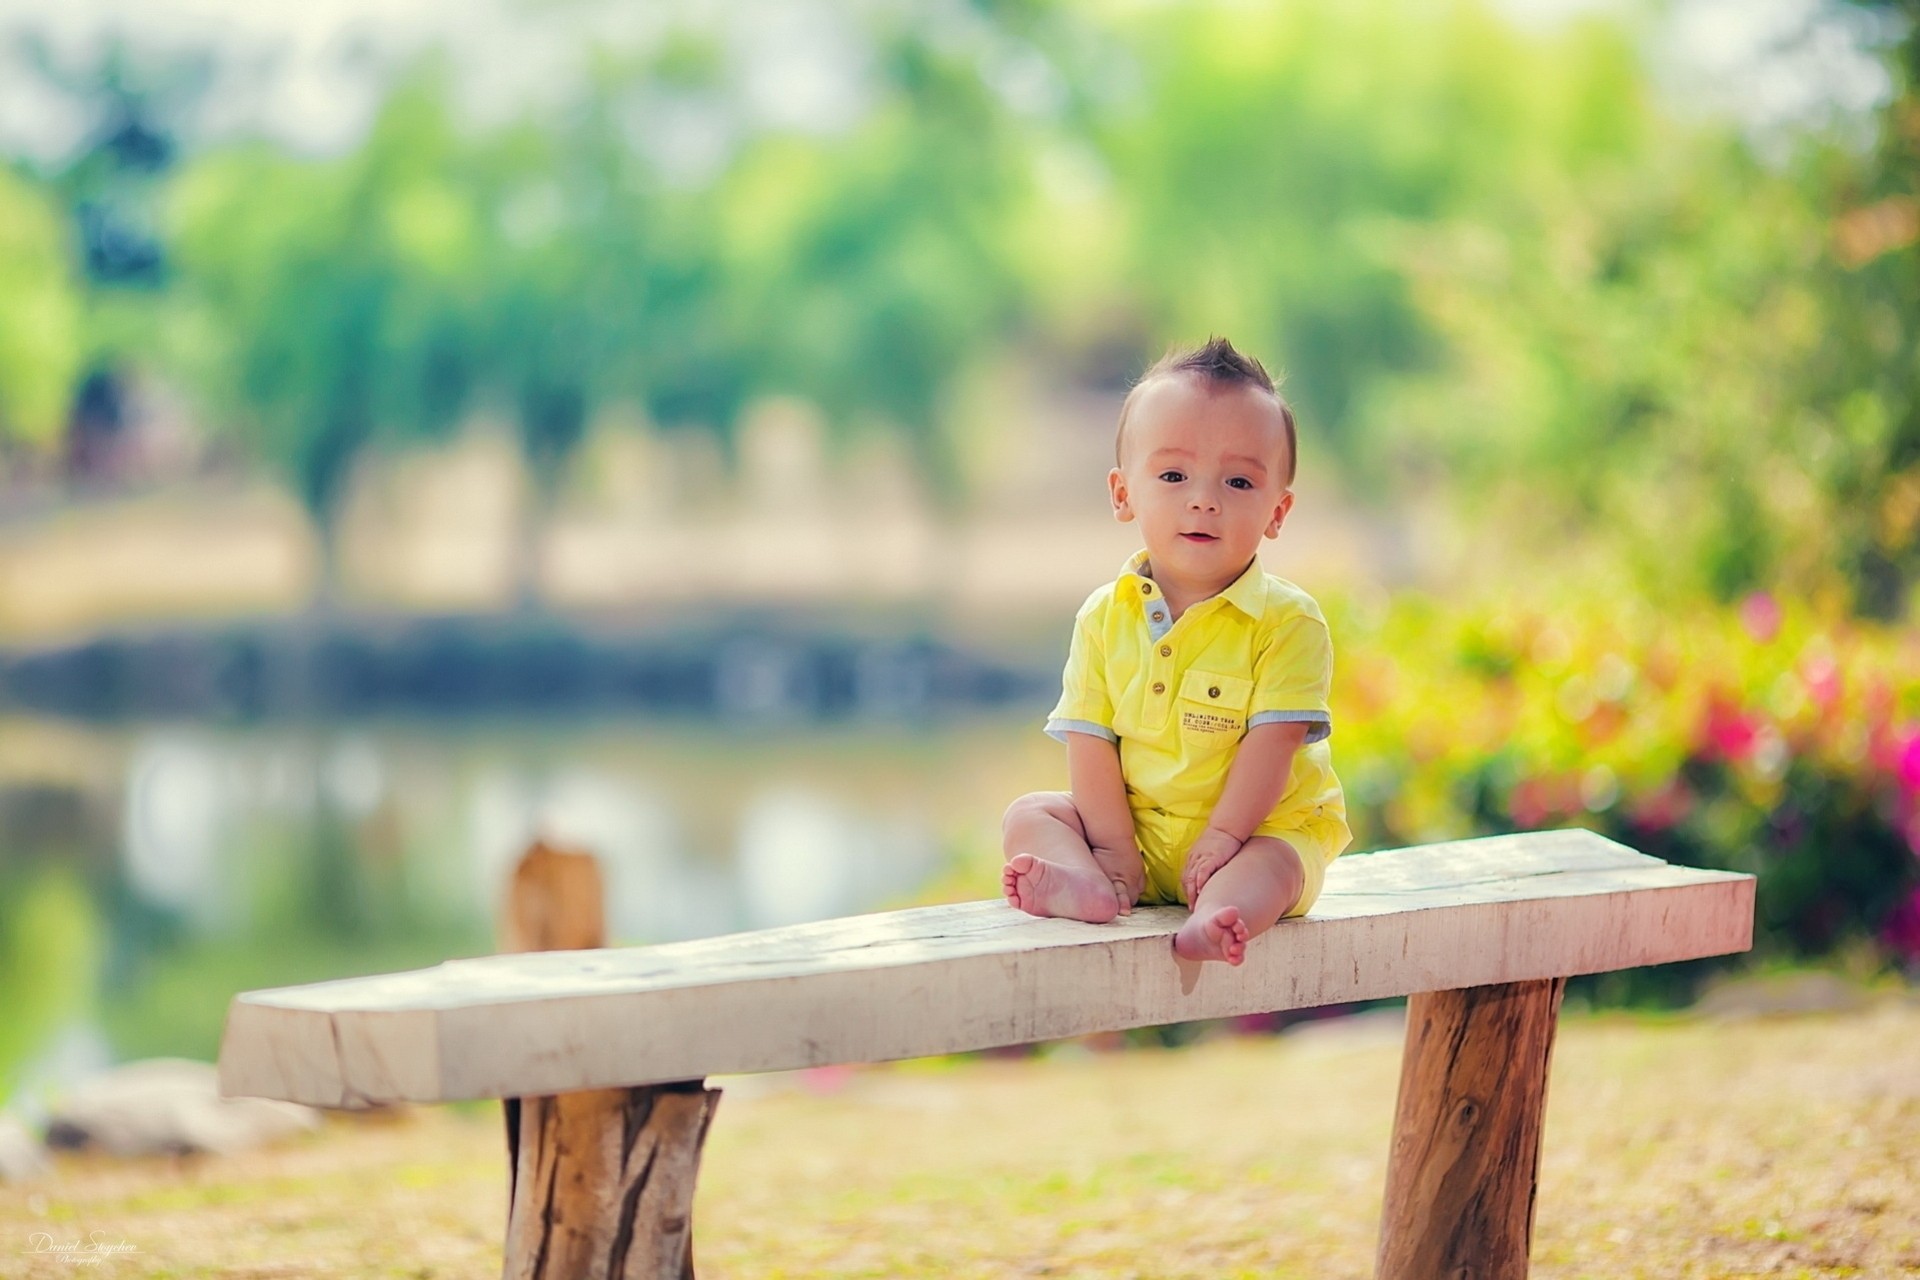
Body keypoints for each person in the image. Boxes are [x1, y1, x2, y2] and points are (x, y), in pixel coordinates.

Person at [1000, 336, 1351, 965]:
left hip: (1251, 835)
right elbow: (1091, 741)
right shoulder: (1104, 617)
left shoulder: (1286, 622)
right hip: (1133, 841)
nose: (1203, 499)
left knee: (1277, 865)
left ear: (1279, 510)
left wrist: (1223, 837)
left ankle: (1218, 919)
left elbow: (1272, 749)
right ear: (1122, 493)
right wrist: (1113, 853)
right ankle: (1089, 887)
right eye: (1172, 475)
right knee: (1029, 815)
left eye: (1239, 480)